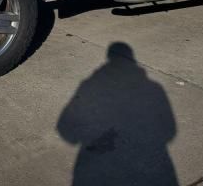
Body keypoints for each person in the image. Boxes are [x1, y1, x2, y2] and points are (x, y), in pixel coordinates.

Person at [57, 42, 179, 185]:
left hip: (94, 170)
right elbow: (170, 130)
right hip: (148, 162)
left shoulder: (89, 84)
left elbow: (64, 129)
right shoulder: (155, 88)